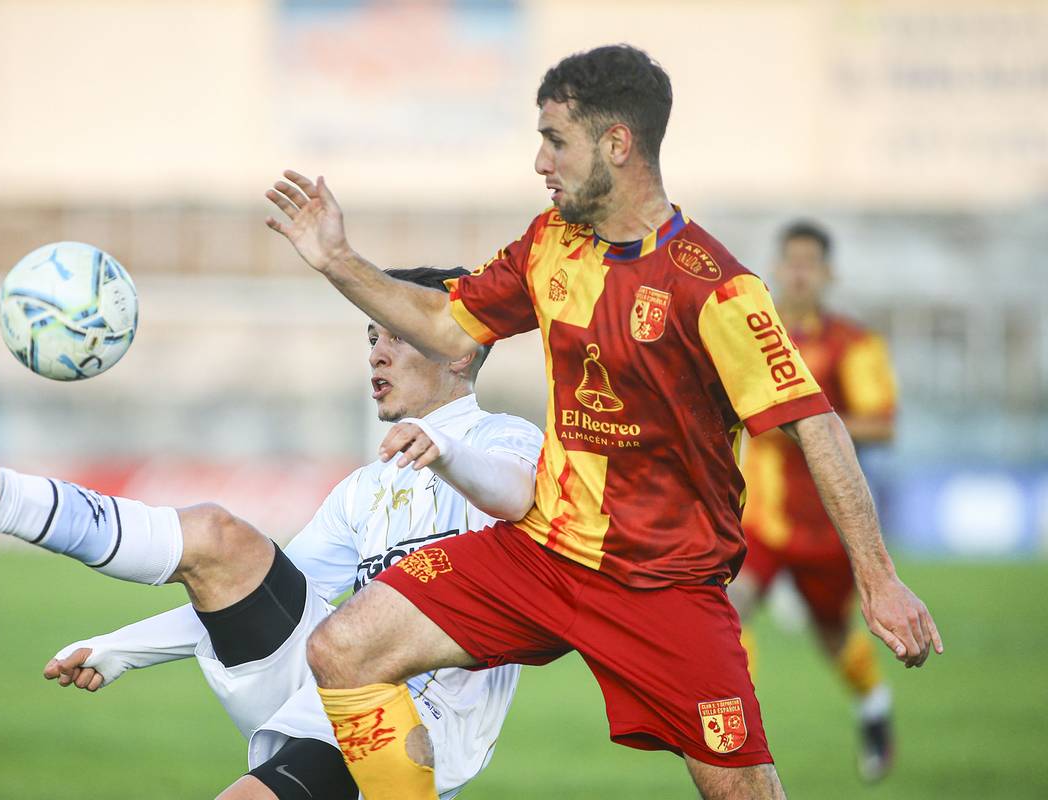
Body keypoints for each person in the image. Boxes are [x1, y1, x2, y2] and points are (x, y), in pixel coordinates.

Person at [262, 45, 943, 800]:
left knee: (743, 793)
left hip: (663, 586)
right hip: (543, 553)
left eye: (555, 140)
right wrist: (338, 261)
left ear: (616, 144)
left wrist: (879, 581)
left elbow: (818, 426)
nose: (539, 162)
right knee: (345, 649)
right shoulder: (552, 242)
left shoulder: (714, 288)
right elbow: (446, 328)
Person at [0, 267, 543, 800]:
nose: (376, 352)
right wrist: (123, 647)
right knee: (218, 537)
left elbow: (515, 491)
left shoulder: (505, 440)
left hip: (419, 722)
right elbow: (252, 595)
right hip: (329, 680)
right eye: (371, 335)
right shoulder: (365, 488)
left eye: (397, 335)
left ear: (460, 352)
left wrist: (448, 451)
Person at [731, 221, 900, 782]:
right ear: (777, 269)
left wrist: (808, 424)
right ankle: (742, 732)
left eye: (810, 263)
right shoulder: (750, 335)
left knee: (834, 635)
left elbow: (881, 425)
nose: (799, 273)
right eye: (791, 261)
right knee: (731, 608)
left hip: (826, 522)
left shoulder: (852, 344)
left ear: (827, 274)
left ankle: (873, 706)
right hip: (756, 517)